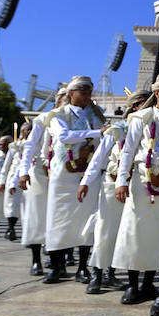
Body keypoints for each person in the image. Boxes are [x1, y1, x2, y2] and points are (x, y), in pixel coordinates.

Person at [112, 74, 159, 306]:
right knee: (135, 231)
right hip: (142, 180)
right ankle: (132, 285)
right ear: (157, 93)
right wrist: (121, 181)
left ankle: (148, 284)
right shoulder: (140, 117)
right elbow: (128, 151)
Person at [80, 90, 150, 294]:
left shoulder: (149, 129)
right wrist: (85, 181)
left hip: (137, 188)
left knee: (128, 234)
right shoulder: (118, 129)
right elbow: (99, 158)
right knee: (106, 231)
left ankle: (112, 273)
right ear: (136, 106)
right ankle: (97, 274)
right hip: (112, 186)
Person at [43, 77, 105, 283]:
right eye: (83, 93)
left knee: (86, 220)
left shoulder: (95, 115)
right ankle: (57, 266)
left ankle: (82, 267)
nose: (88, 97)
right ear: (71, 94)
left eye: (89, 93)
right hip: (64, 173)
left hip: (88, 172)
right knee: (58, 218)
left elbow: (104, 137)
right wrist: (97, 132)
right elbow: (64, 136)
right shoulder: (57, 115)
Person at [19, 90, 65, 275]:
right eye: (65, 100)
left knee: (60, 218)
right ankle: (36, 259)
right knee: (37, 216)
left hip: (63, 172)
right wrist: (23, 172)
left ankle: (58, 260)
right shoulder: (43, 119)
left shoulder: (76, 122)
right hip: (39, 171)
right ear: (57, 102)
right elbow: (30, 146)